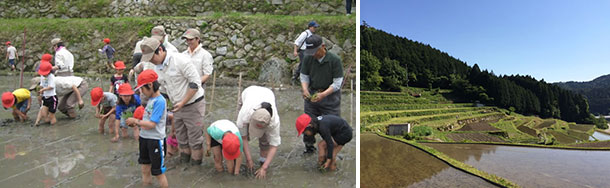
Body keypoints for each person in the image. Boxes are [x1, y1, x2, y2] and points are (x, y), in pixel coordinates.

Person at [139, 37, 206, 165]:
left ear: (160, 50)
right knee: (181, 138)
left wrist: (182, 102)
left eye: (152, 57)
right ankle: (184, 165)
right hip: (177, 106)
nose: (151, 61)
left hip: (193, 104)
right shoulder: (157, 68)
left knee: (195, 140)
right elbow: (163, 91)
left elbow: (195, 84)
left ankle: (195, 168)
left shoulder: (180, 60)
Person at [300, 34, 344, 154]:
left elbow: (337, 83)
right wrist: (305, 90)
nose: (313, 54)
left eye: (315, 51)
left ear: (323, 47)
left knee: (332, 125)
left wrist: (323, 94)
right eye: (310, 52)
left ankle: (330, 151)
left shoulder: (334, 60)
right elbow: (304, 76)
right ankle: (309, 147)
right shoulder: (308, 58)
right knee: (308, 124)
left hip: (330, 97)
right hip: (312, 94)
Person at [125, 69, 168, 188]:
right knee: (144, 168)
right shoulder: (151, 100)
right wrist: (137, 123)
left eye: (142, 89)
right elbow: (147, 120)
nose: (141, 92)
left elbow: (153, 124)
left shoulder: (160, 101)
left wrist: (136, 121)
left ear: (150, 85)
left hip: (155, 140)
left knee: (158, 172)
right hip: (144, 138)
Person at [236, 85, 280, 179]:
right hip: (249, 92)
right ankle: (249, 160)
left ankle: (263, 160)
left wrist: (264, 167)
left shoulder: (274, 122)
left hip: (268, 93)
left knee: (265, 142)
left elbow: (274, 145)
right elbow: (243, 137)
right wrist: (249, 159)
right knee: (242, 134)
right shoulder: (245, 114)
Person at [34, 61, 57, 126]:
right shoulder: (42, 76)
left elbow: (52, 86)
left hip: (52, 98)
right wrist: (39, 89)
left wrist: (44, 89)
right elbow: (42, 84)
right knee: (44, 114)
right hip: (45, 97)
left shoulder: (51, 76)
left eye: (45, 73)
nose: (44, 75)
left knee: (51, 116)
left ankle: (54, 129)